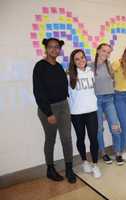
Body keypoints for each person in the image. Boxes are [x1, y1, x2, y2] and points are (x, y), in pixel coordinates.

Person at [33, 38, 76, 183]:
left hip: (63, 106)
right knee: (50, 140)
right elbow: (38, 92)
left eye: (57, 47)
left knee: (67, 138)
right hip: (48, 109)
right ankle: (50, 169)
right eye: (51, 47)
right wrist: (48, 113)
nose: (54, 49)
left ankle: (69, 168)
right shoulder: (40, 67)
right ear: (46, 48)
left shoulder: (58, 66)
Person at [68, 49, 101, 178]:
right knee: (80, 138)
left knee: (94, 138)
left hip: (92, 111)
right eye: (77, 59)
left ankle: (95, 164)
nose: (81, 60)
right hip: (76, 113)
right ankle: (84, 161)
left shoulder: (91, 72)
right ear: (73, 62)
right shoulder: (69, 75)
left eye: (82, 57)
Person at [91, 43, 124, 165]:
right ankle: (104, 153)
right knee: (99, 129)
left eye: (108, 52)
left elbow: (113, 82)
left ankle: (118, 153)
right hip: (96, 101)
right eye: (104, 51)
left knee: (115, 127)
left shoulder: (109, 65)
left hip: (109, 100)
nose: (106, 54)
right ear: (98, 50)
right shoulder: (90, 66)